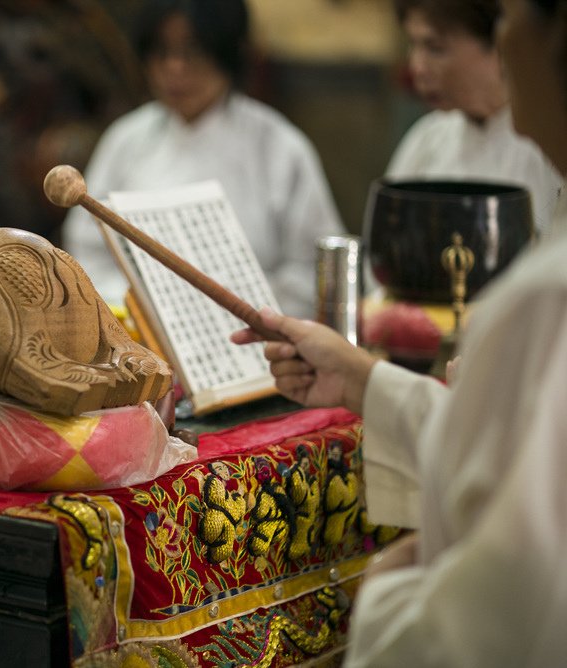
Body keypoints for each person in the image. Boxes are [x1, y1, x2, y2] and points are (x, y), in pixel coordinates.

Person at [232, 0, 567, 663]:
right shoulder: (432, 148)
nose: (506, 36)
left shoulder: (543, 296)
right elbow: (511, 449)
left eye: (509, 15)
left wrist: (387, 595)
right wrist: (360, 377)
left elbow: (497, 617)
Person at [61, 0, 345, 319]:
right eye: (161, 52)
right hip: (137, 340)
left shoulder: (279, 146)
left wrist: (242, 312)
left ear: (228, 53)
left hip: (252, 336)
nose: (175, 67)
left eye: (192, 51)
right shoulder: (126, 140)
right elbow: (87, 252)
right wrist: (138, 308)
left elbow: (311, 269)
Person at [386, 0, 566, 236]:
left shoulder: (549, 143)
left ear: (499, 44)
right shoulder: (427, 139)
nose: (416, 67)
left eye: (435, 48)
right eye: (413, 45)